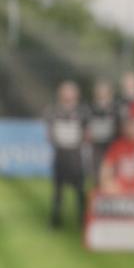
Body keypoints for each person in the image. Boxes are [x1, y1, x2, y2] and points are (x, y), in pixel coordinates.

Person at [45, 81, 87, 228]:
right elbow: (49, 132)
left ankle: (83, 219)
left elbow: (87, 131)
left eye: (71, 91)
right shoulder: (53, 110)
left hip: (75, 154)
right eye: (65, 91)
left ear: (76, 94)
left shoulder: (82, 111)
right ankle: (55, 220)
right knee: (58, 190)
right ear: (60, 93)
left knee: (80, 189)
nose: (68, 94)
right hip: (60, 153)